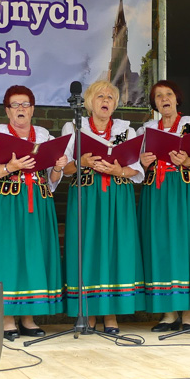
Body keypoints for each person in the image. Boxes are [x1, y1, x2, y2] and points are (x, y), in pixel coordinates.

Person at [0, 85, 68, 340]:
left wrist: (58, 166)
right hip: (6, 202)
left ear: (33, 109)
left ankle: (29, 317)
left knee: (33, 257)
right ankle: (6, 320)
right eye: (15, 105)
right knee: (8, 257)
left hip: (38, 202)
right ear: (7, 110)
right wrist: (10, 166)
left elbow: (51, 180)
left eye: (25, 104)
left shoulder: (45, 135)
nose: (21, 109)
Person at [61, 80, 145, 334]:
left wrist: (119, 169)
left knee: (114, 250)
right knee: (88, 250)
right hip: (86, 195)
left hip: (117, 198)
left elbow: (138, 169)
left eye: (110, 97)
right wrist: (82, 161)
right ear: (89, 102)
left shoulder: (126, 131)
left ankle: (111, 314)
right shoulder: (74, 126)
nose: (106, 100)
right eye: (100, 96)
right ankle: (89, 312)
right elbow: (63, 169)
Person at [137, 80, 190, 332]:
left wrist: (188, 161)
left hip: (186, 192)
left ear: (177, 99)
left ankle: (189, 314)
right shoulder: (145, 130)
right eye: (158, 96)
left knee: (188, 247)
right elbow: (134, 171)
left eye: (168, 94)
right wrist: (144, 162)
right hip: (156, 195)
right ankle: (168, 313)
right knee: (160, 248)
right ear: (154, 103)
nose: (164, 99)